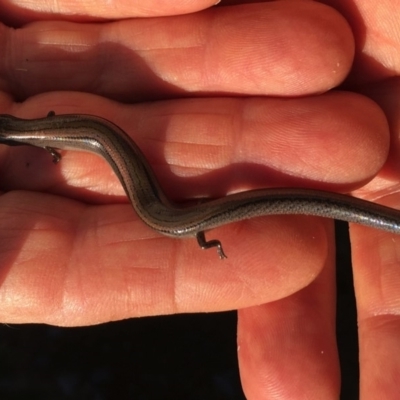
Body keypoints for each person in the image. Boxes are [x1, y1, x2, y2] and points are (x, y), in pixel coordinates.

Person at [0, 0, 398, 398]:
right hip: (153, 196)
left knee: (251, 209)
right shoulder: (40, 128)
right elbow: (52, 130)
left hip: (171, 214)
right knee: (275, 203)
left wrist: (211, 242)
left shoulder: (36, 144)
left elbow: (50, 148)